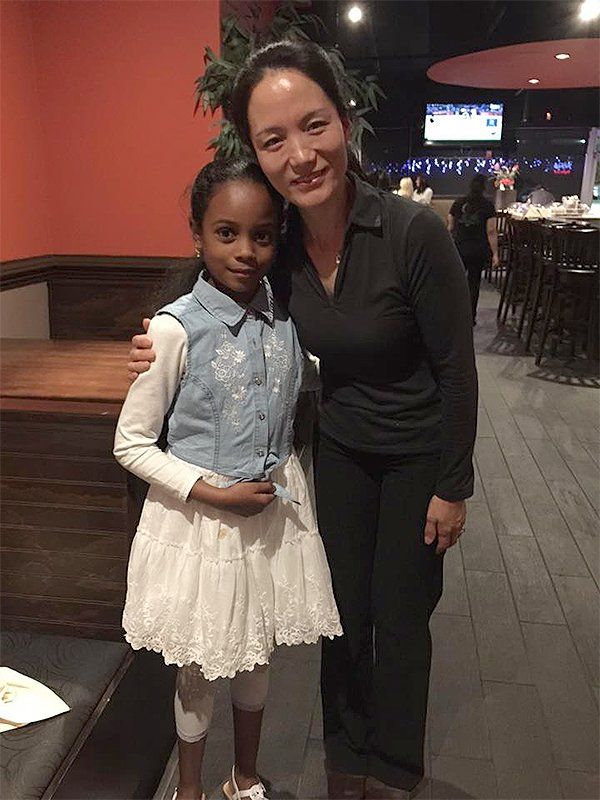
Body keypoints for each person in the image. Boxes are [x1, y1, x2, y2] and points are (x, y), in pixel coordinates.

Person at [128, 41, 477, 799]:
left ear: (345, 122)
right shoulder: (280, 247)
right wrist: (152, 338)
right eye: (272, 139)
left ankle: (393, 776)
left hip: (417, 455)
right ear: (254, 150)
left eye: (313, 125)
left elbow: (458, 368)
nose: (299, 154)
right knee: (343, 619)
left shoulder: (413, 233)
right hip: (340, 454)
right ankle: (343, 769)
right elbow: (212, 284)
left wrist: (455, 484)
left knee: (402, 620)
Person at [114, 158, 341, 800]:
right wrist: (213, 490)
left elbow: (314, 379)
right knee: (199, 664)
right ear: (197, 234)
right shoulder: (173, 328)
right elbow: (130, 442)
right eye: (226, 233)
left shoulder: (291, 318)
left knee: (257, 652)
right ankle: (188, 791)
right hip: (202, 524)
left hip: (270, 512)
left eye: (262, 236)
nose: (246, 251)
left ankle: (243, 778)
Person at [448, 174, 499, 325]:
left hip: (459, 247)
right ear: (484, 188)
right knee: (474, 283)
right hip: (478, 249)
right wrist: (495, 254)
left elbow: (450, 227)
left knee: (456, 282)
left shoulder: (458, 203)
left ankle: (454, 314)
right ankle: (470, 317)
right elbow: (491, 231)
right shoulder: (488, 206)